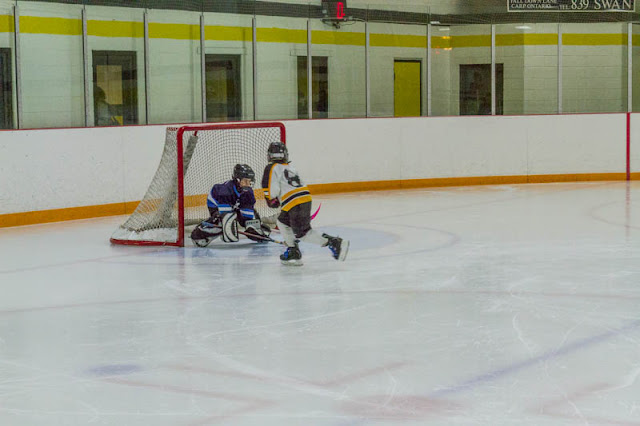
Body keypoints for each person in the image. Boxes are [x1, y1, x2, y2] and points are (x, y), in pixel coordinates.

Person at [262, 141, 349, 266]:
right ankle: (293, 251)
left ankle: (334, 242)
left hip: (293, 202)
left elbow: (272, 191)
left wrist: (270, 199)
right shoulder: (290, 168)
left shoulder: (271, 167)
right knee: (282, 221)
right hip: (304, 199)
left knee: (303, 234)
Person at [191, 164, 268, 247]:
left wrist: (251, 227)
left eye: (250, 181)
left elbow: (247, 217)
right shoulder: (225, 191)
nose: (248, 184)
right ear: (237, 180)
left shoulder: (249, 193)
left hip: (235, 205)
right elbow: (225, 216)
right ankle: (199, 234)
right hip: (216, 205)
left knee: (252, 219)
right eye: (245, 181)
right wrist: (226, 226)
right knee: (222, 222)